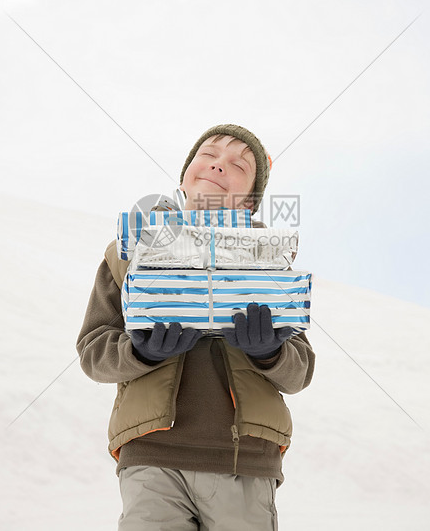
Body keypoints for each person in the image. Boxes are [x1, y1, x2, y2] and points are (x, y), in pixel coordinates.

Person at [76, 124, 315, 530]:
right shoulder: (126, 252)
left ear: (250, 201)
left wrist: (269, 352)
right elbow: (93, 351)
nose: (220, 165)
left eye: (239, 164)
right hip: (151, 454)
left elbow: (300, 370)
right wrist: (140, 352)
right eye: (209, 154)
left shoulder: (270, 261)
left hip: (245, 458)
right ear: (185, 175)